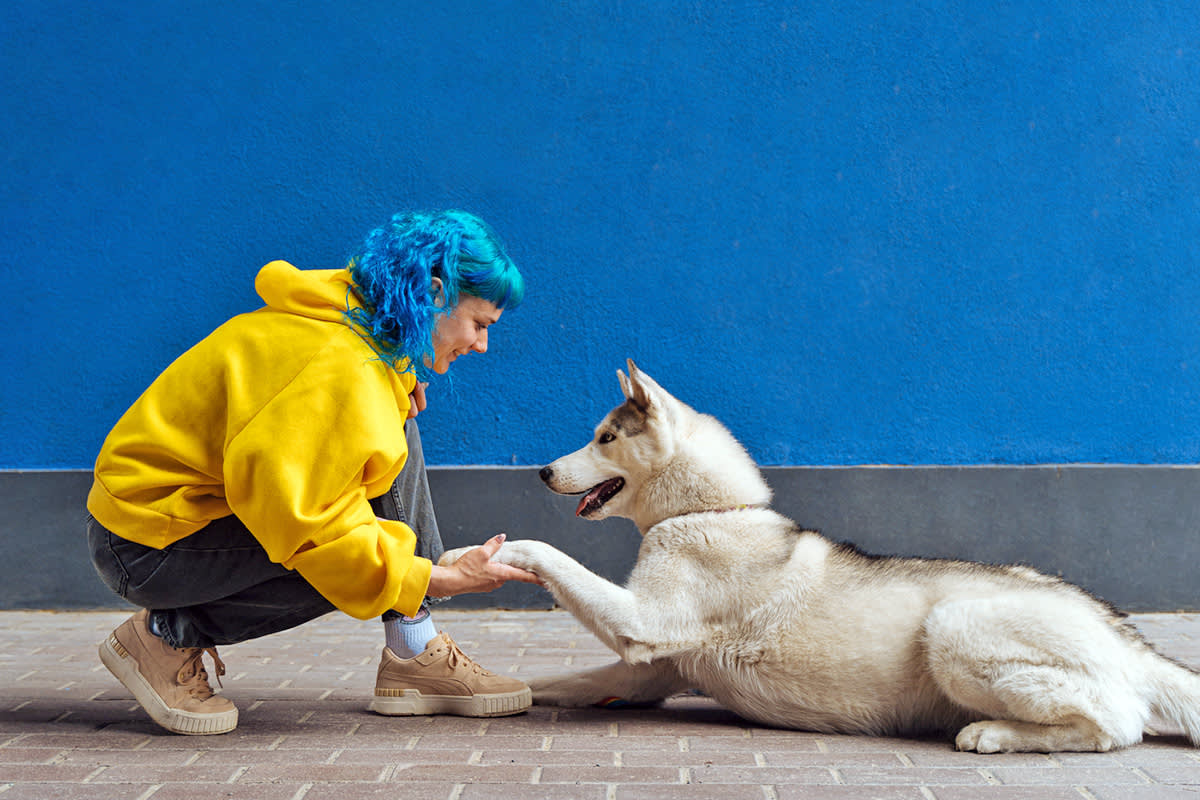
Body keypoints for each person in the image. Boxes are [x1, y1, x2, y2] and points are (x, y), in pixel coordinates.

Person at [86, 209, 541, 735]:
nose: (481, 344)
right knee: (351, 569)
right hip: (144, 545)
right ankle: (165, 637)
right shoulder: (337, 365)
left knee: (399, 427)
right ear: (435, 294)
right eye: (480, 324)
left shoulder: (355, 337)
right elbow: (313, 531)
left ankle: (415, 648)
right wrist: (436, 578)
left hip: (176, 517)